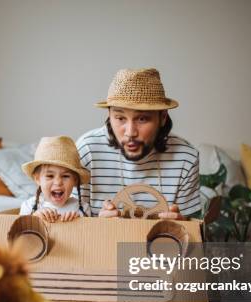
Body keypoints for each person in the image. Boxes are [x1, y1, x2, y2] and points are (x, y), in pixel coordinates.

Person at [76, 68, 201, 220]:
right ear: (109, 115)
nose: (130, 132)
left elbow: (194, 233)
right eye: (120, 118)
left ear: (162, 117)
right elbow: (71, 226)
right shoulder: (86, 150)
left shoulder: (186, 159)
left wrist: (183, 224)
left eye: (142, 119)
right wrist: (97, 226)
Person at [20, 135, 91, 222]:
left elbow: (88, 233)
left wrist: (78, 222)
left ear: (75, 180)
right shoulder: (29, 206)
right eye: (50, 176)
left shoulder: (82, 208)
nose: (58, 182)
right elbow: (21, 232)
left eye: (65, 176)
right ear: (38, 179)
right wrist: (34, 218)